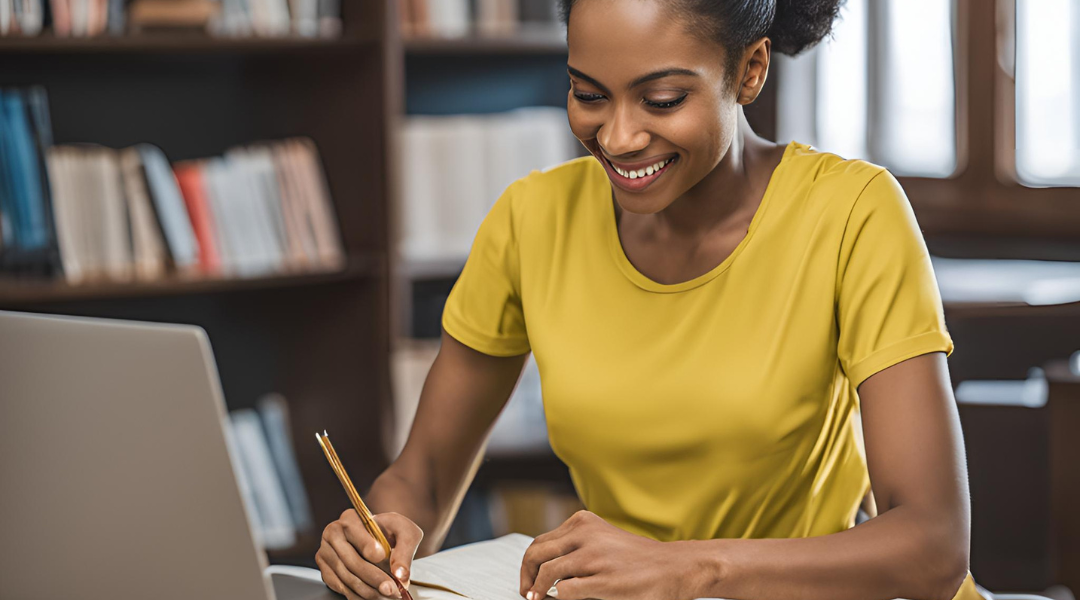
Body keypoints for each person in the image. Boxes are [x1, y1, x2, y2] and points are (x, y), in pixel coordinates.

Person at [316, 1, 990, 599]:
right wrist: (380, 536)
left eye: (662, 99)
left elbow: (931, 545)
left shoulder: (851, 213)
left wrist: (686, 570)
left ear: (750, 70)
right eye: (588, 94)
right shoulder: (532, 218)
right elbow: (424, 476)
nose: (617, 137)